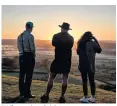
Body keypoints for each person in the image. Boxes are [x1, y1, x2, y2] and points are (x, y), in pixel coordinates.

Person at [40, 22, 74, 103]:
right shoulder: (71, 38)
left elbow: (53, 44)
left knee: (51, 77)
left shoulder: (56, 36)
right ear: (68, 29)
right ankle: (62, 97)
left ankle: (46, 95)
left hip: (57, 59)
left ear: (61, 28)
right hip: (67, 60)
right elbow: (70, 46)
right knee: (65, 78)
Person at [77, 31, 102, 103]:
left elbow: (78, 52)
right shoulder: (92, 43)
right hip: (90, 65)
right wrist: (95, 39)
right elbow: (99, 50)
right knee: (92, 81)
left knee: (84, 81)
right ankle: (93, 97)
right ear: (91, 37)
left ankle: (85, 97)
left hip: (82, 64)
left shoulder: (79, 43)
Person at [17, 21, 36, 98]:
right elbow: (32, 48)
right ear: (30, 27)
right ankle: (27, 93)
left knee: (22, 75)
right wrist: (33, 55)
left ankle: (21, 92)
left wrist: (21, 53)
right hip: (29, 56)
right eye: (32, 27)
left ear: (26, 27)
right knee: (29, 75)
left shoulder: (20, 36)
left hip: (21, 56)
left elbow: (18, 47)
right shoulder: (30, 36)